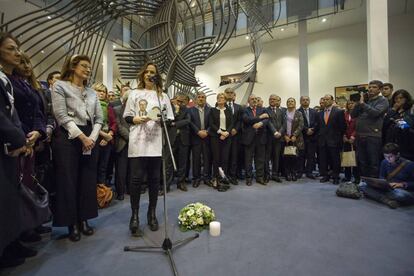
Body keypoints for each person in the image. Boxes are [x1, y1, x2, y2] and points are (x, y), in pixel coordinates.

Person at [51, 54, 103, 242]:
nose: (88, 69)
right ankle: (71, 223)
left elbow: (99, 119)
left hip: (90, 135)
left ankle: (84, 220)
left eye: (89, 67)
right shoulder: (60, 86)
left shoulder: (92, 92)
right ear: (73, 67)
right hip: (68, 136)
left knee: (87, 181)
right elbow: (61, 116)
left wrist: (92, 138)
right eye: (84, 66)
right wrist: (81, 137)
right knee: (68, 181)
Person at [123, 62, 174, 235]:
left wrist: (162, 118)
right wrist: (136, 119)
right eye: (147, 72)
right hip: (138, 141)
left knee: (154, 179)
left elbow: (169, 118)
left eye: (153, 72)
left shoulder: (162, 96)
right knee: (136, 179)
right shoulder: (134, 93)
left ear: (156, 76)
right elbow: (127, 116)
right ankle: (134, 215)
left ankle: (152, 214)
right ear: (142, 74)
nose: (149, 74)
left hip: (155, 142)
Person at [0, 31, 34, 268]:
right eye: (11, 48)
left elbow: (14, 116)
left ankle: (11, 242)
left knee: (11, 199)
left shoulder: (7, 81)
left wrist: (23, 139)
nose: (17, 52)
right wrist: (20, 139)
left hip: (13, 148)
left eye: (17, 48)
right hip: (6, 147)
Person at [351, 80, 389, 177]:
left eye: (374, 87)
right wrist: (358, 103)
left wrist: (363, 104)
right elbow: (353, 115)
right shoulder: (365, 100)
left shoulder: (383, 100)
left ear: (379, 89)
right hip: (360, 135)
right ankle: (364, 183)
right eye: (370, 87)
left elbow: (375, 113)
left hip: (373, 136)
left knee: (373, 163)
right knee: (362, 162)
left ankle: (374, 186)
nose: (371, 89)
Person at [360, 143, 414, 209]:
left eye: (390, 156)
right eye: (385, 156)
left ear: (397, 154)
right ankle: (387, 201)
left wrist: (402, 184)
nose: (388, 159)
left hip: (402, 190)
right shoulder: (384, 162)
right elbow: (381, 177)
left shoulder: (410, 165)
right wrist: (379, 184)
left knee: (401, 195)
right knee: (362, 185)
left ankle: (378, 196)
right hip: (388, 188)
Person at [316, 94, 346, 184]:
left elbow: (342, 127)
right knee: (323, 159)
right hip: (322, 141)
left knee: (335, 160)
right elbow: (318, 127)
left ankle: (336, 176)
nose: (325, 101)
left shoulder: (338, 112)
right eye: (324, 99)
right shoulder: (319, 113)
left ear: (332, 101)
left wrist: (339, 138)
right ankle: (325, 176)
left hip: (334, 140)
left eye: (327, 99)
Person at [92, 82, 116, 187]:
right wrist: (103, 135)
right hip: (93, 139)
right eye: (99, 91)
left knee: (103, 167)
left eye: (103, 91)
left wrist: (109, 135)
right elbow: (90, 123)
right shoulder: (90, 105)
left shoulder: (109, 107)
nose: (102, 93)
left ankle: (101, 194)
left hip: (108, 140)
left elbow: (114, 123)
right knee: (92, 167)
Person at [242, 94, 269, 185]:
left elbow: (267, 120)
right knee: (248, 160)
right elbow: (247, 119)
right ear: (249, 101)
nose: (254, 100)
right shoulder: (245, 110)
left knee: (260, 159)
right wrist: (260, 118)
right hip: (249, 138)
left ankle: (259, 177)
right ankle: (249, 178)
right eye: (252, 99)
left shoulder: (262, 109)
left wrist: (261, 123)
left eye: (256, 99)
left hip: (260, 138)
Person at [209, 92, 233, 191]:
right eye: (218, 97)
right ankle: (215, 178)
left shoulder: (229, 110)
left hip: (227, 137)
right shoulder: (213, 110)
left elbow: (232, 123)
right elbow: (211, 123)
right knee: (216, 158)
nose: (220, 99)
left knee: (225, 158)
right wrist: (220, 133)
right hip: (215, 136)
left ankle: (223, 179)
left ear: (225, 100)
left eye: (222, 97)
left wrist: (226, 132)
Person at [382, 89, 414, 161]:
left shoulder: (410, 110)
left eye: (401, 98)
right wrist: (393, 109)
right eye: (396, 98)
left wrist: (397, 120)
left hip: (405, 143)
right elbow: (385, 124)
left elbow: (407, 126)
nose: (398, 100)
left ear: (406, 99)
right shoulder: (393, 110)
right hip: (391, 142)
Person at [189, 92, 211, 188]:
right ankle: (196, 178)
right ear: (196, 99)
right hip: (196, 137)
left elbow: (213, 123)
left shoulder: (210, 110)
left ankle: (206, 178)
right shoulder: (191, 110)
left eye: (203, 97)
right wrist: (198, 132)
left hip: (207, 137)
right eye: (199, 97)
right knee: (196, 159)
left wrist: (207, 131)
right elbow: (190, 122)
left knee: (207, 158)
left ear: (205, 99)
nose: (201, 99)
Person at [113, 89, 130, 200]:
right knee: (121, 170)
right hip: (122, 143)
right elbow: (118, 127)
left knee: (132, 169)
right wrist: (130, 137)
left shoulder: (135, 112)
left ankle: (130, 189)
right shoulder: (117, 109)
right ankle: (120, 192)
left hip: (134, 144)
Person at [224, 87, 243, 185]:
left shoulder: (239, 107)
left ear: (234, 95)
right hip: (224, 136)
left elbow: (240, 121)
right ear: (225, 94)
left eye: (232, 93)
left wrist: (236, 128)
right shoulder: (220, 106)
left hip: (235, 136)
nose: (230, 94)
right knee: (225, 157)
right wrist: (226, 131)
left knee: (234, 157)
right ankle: (225, 176)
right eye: (228, 92)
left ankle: (233, 176)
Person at [283, 98, 304, 181]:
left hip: (296, 139)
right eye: (288, 101)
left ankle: (294, 173)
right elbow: (281, 125)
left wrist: (294, 135)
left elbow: (301, 125)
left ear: (295, 103)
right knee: (287, 157)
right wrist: (285, 135)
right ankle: (288, 173)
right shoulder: (283, 113)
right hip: (286, 138)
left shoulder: (299, 113)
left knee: (295, 157)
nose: (290, 102)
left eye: (292, 101)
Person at [265, 94, 285, 183]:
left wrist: (280, 132)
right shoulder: (265, 110)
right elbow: (268, 122)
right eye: (270, 99)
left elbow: (284, 123)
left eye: (274, 99)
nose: (272, 100)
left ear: (277, 101)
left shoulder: (281, 111)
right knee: (267, 157)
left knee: (276, 157)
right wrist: (274, 132)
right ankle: (267, 175)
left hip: (279, 138)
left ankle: (275, 174)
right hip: (269, 138)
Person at [297, 96, 318, 179]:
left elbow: (317, 122)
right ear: (300, 101)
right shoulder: (297, 112)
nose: (305, 101)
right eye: (303, 100)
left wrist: (312, 129)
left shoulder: (314, 111)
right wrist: (306, 130)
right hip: (302, 136)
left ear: (309, 101)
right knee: (301, 155)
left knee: (311, 155)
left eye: (307, 100)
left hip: (312, 136)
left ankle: (309, 172)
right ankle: (300, 172)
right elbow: (298, 124)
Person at [342, 100, 360, 183]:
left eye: (352, 103)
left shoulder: (358, 114)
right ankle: (347, 177)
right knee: (347, 158)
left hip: (355, 139)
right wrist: (344, 135)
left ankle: (357, 178)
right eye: (349, 104)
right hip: (346, 139)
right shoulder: (344, 114)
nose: (350, 105)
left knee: (356, 159)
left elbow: (358, 126)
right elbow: (342, 125)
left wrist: (353, 136)